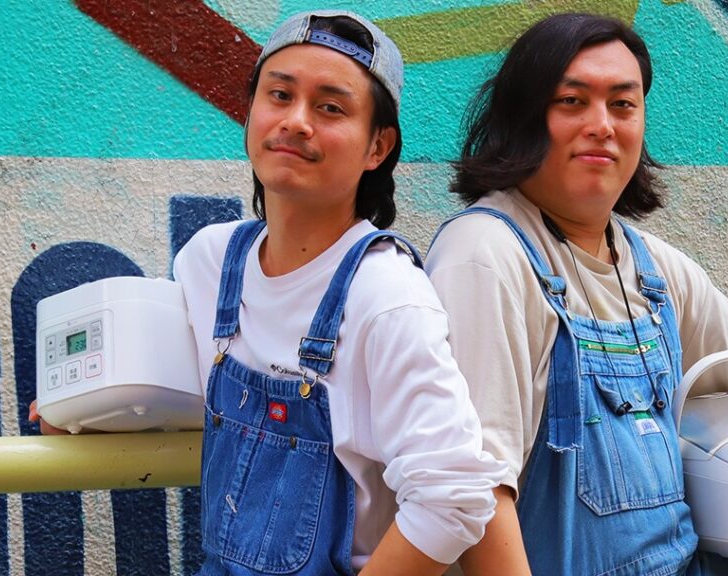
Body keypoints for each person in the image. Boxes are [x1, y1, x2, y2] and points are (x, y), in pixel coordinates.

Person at [425, 12, 728, 576]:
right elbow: (478, 489)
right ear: (524, 116)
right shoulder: (486, 253)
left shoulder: (654, 270)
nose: (602, 125)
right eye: (572, 101)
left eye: (622, 104)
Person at [169, 11, 504, 575]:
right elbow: (171, 391)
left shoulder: (387, 297)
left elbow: (455, 496)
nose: (296, 121)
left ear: (378, 147)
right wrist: (85, 412)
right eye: (279, 95)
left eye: (330, 108)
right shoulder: (209, 261)